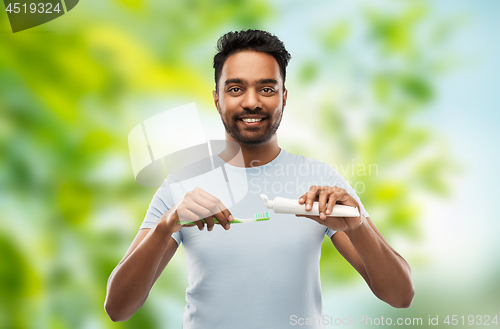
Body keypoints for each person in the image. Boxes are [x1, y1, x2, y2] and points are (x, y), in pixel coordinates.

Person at [104, 29, 414, 328]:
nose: (252, 102)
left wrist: (357, 226)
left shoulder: (321, 181)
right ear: (216, 99)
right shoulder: (180, 186)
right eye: (236, 89)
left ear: (284, 97)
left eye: (266, 89)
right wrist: (166, 226)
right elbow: (118, 308)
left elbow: (401, 296)